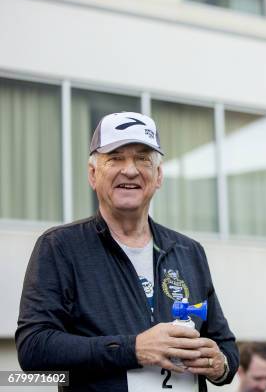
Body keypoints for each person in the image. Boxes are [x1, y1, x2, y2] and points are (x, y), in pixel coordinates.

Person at [16, 112, 238, 391]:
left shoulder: (189, 251)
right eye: (116, 157)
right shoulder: (60, 247)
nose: (130, 170)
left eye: (143, 158)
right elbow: (34, 349)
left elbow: (227, 347)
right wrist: (133, 348)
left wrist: (220, 365)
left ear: (158, 176)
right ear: (93, 174)